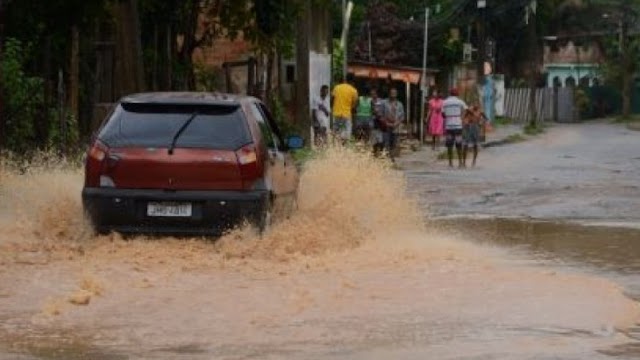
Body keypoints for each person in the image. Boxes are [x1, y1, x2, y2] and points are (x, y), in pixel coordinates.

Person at [442, 87, 468, 168]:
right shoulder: (460, 101)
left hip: (449, 126)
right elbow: (467, 109)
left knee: (449, 145)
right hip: (458, 126)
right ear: (456, 94)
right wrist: (462, 117)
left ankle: (450, 163)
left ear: (450, 93)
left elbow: (442, 114)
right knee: (459, 144)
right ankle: (460, 163)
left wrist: (447, 116)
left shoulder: (445, 102)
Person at [331, 74, 359, 142]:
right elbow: (355, 104)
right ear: (353, 81)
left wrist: (333, 108)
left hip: (336, 113)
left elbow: (332, 99)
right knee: (347, 132)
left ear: (346, 79)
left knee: (336, 131)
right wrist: (351, 108)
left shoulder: (337, 87)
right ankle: (344, 146)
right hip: (346, 114)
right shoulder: (354, 90)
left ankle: (335, 146)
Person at [381, 88, 405, 160]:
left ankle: (392, 157)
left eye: (394, 93)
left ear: (396, 94)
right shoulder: (384, 102)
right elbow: (381, 114)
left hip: (395, 126)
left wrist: (397, 123)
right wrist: (386, 123)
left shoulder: (400, 104)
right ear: (389, 93)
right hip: (386, 126)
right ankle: (386, 158)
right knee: (386, 142)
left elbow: (402, 116)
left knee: (394, 143)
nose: (393, 94)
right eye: (391, 93)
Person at [371, 88, 386, 156]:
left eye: (374, 94)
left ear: (377, 94)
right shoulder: (370, 101)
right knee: (374, 138)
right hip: (372, 122)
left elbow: (384, 111)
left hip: (380, 122)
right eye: (371, 94)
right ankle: (374, 153)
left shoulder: (382, 101)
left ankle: (380, 152)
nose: (373, 95)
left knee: (380, 138)